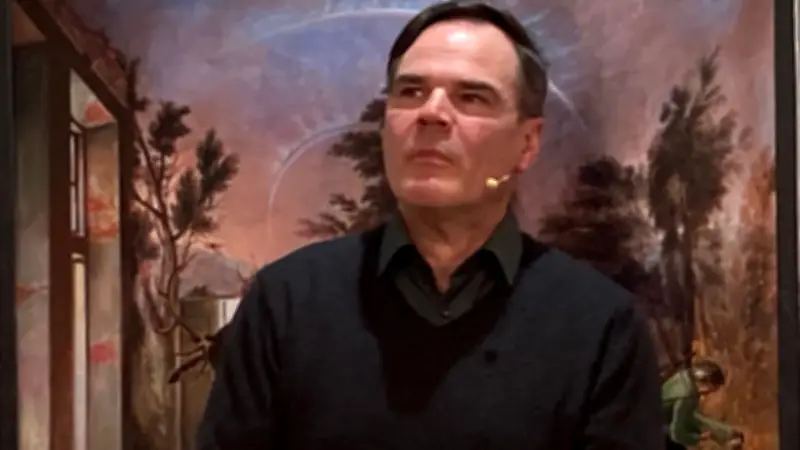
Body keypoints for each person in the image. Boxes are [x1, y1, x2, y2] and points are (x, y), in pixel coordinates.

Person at [196, 1, 664, 448]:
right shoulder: (285, 304)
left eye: (471, 96)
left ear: (527, 143)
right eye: (410, 92)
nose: (431, 113)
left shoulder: (602, 326)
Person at [662, 360, 744, 449]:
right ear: (706, 382)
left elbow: (690, 416)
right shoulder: (687, 396)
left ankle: (728, 435)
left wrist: (725, 432)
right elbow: (677, 434)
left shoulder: (684, 377)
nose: (712, 391)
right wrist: (698, 438)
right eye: (714, 387)